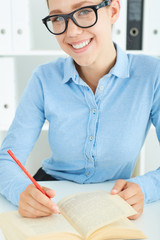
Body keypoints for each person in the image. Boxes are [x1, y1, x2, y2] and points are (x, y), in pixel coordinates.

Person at [0, 0, 160, 220]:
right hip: (51, 195)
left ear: (113, 11)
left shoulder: (152, 74)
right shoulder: (43, 78)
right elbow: (7, 159)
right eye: (57, 18)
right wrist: (20, 192)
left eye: (84, 11)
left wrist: (145, 187)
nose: (72, 31)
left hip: (113, 196)